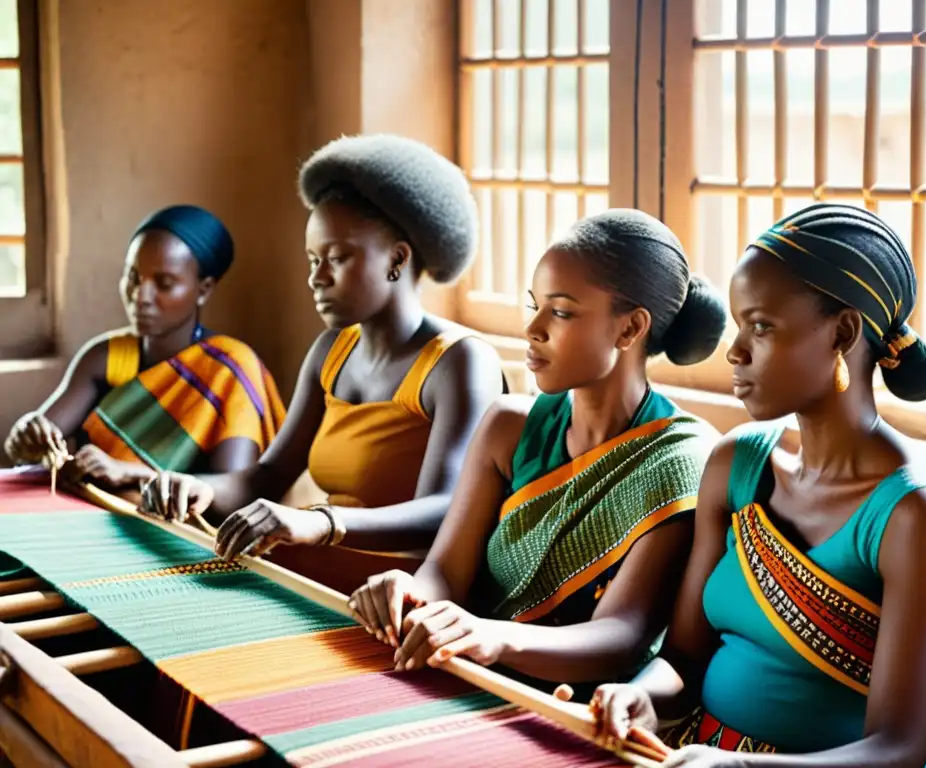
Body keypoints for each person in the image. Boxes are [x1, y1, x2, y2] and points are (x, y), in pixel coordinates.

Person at [588, 204, 926, 767]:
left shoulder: (919, 514)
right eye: (738, 325)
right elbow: (683, 657)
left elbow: (898, 750)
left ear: (842, 333)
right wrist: (641, 695)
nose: (736, 351)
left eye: (762, 327)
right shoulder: (736, 465)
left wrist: (740, 766)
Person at [347, 209, 727, 692]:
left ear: (630, 330)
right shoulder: (509, 426)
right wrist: (411, 593)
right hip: (461, 672)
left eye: (562, 312)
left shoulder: (682, 458)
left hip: (582, 707)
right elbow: (445, 570)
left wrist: (495, 638)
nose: (534, 329)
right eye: (536, 307)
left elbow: (622, 636)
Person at [141, 134, 506, 594]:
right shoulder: (331, 351)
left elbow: (445, 509)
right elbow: (267, 476)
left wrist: (320, 522)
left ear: (396, 259)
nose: (317, 277)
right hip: (316, 579)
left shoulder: (459, 362)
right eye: (313, 259)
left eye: (337, 258)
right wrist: (202, 490)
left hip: (396, 599)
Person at [3, 205, 285, 488]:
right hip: (92, 519)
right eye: (134, 277)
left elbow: (233, 493)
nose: (141, 296)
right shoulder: (106, 357)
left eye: (164, 283)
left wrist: (130, 473)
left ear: (204, 289)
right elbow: (35, 449)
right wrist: (26, 437)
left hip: (176, 530)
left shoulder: (229, 371)